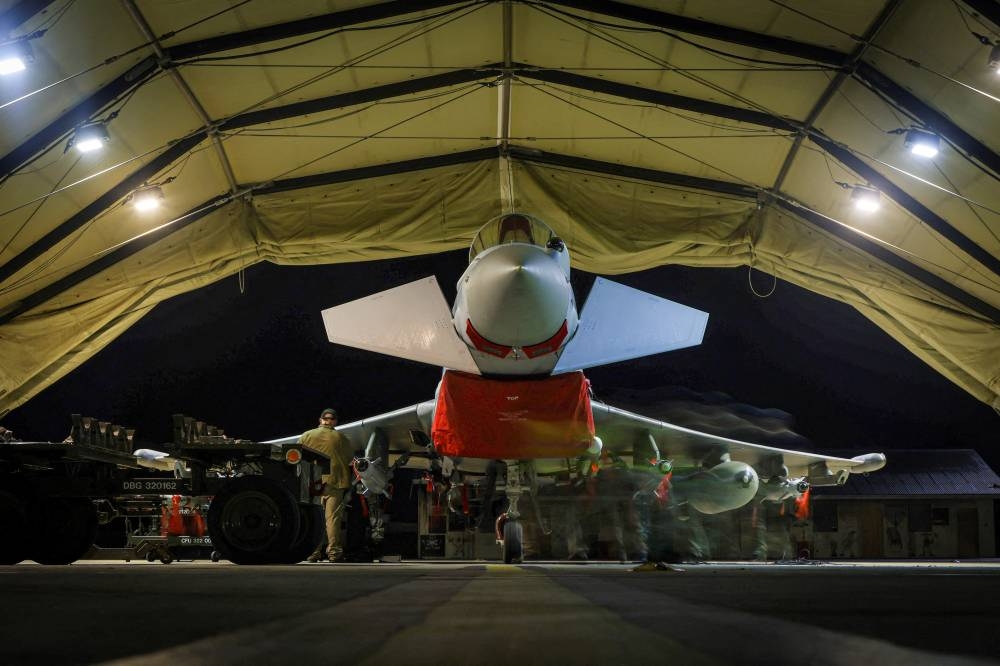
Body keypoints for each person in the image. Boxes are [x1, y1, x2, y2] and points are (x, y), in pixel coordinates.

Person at [300, 408, 355, 563]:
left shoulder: (307, 436)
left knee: (314, 518)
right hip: (334, 482)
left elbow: (297, 455)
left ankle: (312, 552)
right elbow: (349, 458)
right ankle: (334, 553)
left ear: (320, 420)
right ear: (335, 421)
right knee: (332, 519)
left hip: (312, 483)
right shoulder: (341, 437)